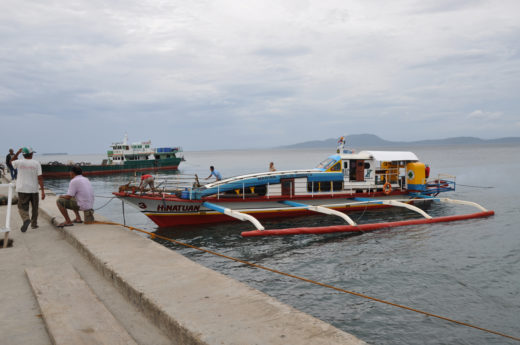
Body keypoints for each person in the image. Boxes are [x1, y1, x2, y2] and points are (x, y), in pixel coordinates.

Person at [11, 147, 45, 232]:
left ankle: (26, 219)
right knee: (35, 207)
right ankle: (34, 224)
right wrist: (43, 191)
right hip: (34, 189)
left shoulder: (19, 162)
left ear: (23, 154)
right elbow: (40, 177)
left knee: (21, 206)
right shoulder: (36, 163)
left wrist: (18, 153)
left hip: (22, 189)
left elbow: (11, 162)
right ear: (31, 154)